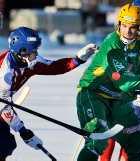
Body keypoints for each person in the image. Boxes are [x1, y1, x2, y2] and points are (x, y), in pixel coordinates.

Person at [76, 3, 140, 161]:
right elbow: (123, 79)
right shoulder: (114, 42)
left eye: (133, 26)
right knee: (103, 139)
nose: (128, 30)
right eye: (124, 25)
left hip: (127, 98)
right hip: (99, 95)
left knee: (136, 144)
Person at [0, 26, 97, 161]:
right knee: (2, 144)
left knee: (5, 144)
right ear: (22, 53)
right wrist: (23, 131)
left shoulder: (30, 61)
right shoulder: (6, 73)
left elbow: (54, 67)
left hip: (2, 105)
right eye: (32, 51)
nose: (36, 54)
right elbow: (3, 108)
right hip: (2, 106)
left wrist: (78, 59)